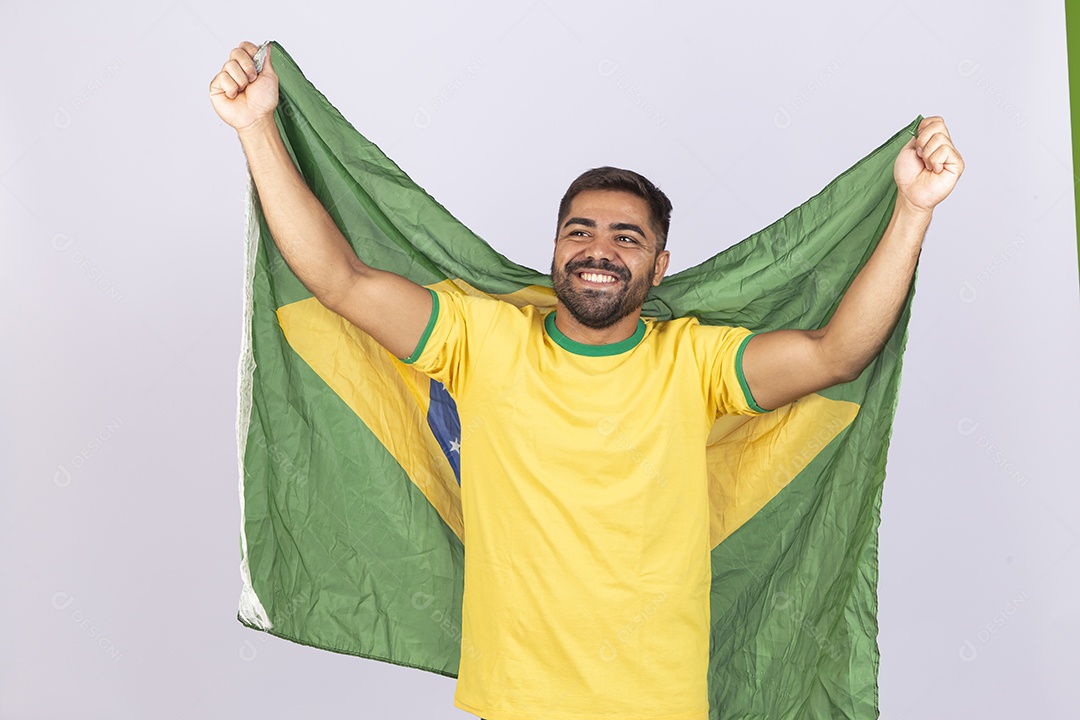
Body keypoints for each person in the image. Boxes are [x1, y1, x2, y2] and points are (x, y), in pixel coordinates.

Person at [211, 41, 963, 720]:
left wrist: (912, 209)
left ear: (659, 267)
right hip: (515, 701)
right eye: (580, 231)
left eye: (626, 238)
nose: (598, 251)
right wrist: (256, 129)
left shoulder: (693, 360)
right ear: (555, 250)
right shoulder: (482, 339)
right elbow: (339, 281)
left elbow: (835, 355)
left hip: (657, 705)